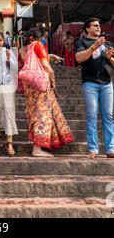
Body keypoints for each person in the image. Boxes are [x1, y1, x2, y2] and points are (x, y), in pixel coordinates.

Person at [18, 28, 74, 157]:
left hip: (30, 86)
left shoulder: (23, 49)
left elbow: (30, 62)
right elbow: (45, 66)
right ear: (40, 37)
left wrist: (50, 56)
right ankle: (37, 149)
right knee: (43, 115)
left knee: (34, 114)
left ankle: (37, 146)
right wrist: (53, 80)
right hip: (40, 86)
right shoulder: (38, 44)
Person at [75, 17, 114, 159]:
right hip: (90, 83)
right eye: (95, 25)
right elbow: (79, 58)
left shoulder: (107, 43)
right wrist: (94, 46)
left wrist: (109, 58)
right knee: (92, 115)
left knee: (108, 116)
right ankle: (93, 149)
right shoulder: (82, 42)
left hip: (107, 83)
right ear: (87, 28)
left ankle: (110, 149)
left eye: (99, 25)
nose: (98, 28)